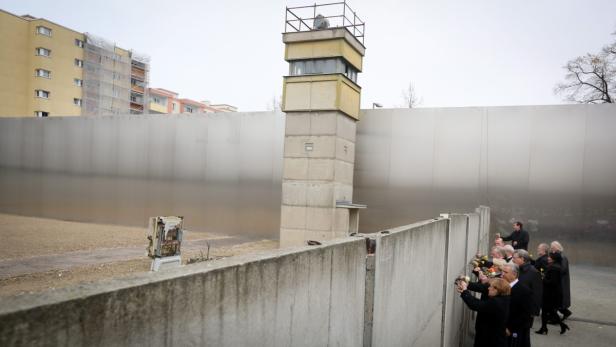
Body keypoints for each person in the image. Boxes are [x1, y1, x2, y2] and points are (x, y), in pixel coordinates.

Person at [457, 278, 511, 347]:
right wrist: (465, 291)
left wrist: (464, 291)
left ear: (497, 290)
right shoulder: (503, 298)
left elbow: (475, 305)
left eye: (490, 286)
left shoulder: (497, 302)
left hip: (491, 340)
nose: (488, 288)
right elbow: (481, 303)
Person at [535, 252, 570, 335]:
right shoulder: (555, 266)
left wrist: (542, 278)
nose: (548, 258)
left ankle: (544, 329)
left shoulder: (554, 268)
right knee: (549, 311)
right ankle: (557, 326)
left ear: (554, 259)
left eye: (550, 257)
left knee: (547, 311)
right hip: (551, 293)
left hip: (550, 294)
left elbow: (552, 282)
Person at [502, 263, 534, 347]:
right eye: (502, 272)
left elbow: (525, 314)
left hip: (515, 331)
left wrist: (510, 328)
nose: (502, 274)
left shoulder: (524, 291)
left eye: (505, 272)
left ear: (514, 274)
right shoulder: (503, 286)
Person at [513, 249, 543, 317]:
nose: (513, 260)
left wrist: (534, 311)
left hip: (526, 310)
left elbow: (537, 293)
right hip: (516, 306)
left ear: (522, 258)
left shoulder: (534, 272)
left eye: (514, 258)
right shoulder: (517, 269)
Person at [550, 241, 572, 320]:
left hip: (561, 282)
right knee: (558, 300)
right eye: (551, 247)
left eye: (553, 247)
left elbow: (563, 269)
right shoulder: (556, 256)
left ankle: (558, 316)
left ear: (558, 248)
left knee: (559, 300)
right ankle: (566, 313)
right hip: (558, 281)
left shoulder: (562, 257)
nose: (551, 249)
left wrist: (554, 268)